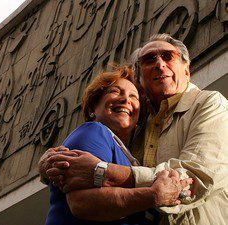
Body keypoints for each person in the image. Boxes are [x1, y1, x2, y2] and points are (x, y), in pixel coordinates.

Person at [39, 33, 228, 225]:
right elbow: (79, 187)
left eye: (168, 56)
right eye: (149, 59)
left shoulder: (210, 103)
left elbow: (196, 176)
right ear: (140, 79)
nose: (160, 64)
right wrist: (50, 166)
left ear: (186, 70)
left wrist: (103, 172)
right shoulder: (133, 127)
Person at [44, 66, 192, 225]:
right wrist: (152, 196)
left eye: (134, 97)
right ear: (93, 107)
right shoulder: (93, 131)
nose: (125, 99)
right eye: (115, 91)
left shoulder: (129, 156)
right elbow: (82, 203)